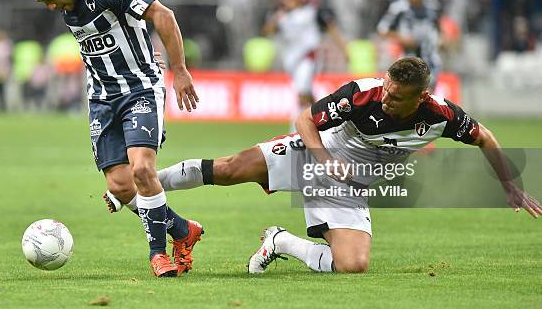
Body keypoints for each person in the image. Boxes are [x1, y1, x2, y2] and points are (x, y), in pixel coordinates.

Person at [110, 57, 540, 274]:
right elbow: (305, 119)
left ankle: (279, 243)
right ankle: (128, 186)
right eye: (387, 89)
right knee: (227, 169)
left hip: (350, 181)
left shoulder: (441, 116)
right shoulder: (363, 93)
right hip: (320, 151)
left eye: (395, 97)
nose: (386, 98)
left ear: (418, 98)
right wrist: (322, 158)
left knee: (353, 265)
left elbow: (485, 137)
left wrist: (510, 184)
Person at [24, 0, 202, 277]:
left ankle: (157, 254)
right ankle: (182, 230)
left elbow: (162, 14)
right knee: (120, 185)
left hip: (140, 90)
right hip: (101, 99)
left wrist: (180, 70)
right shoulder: (67, 3)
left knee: (143, 169)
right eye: (43, 3)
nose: (50, 7)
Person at [262, 0, 346, 131]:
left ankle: (298, 127)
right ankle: (326, 118)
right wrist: (277, 17)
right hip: (291, 59)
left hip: (309, 56)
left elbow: (331, 27)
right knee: (305, 92)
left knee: (301, 91)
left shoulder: (313, 7)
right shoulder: (279, 10)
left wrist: (344, 49)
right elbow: (267, 31)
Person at [377, 0, 443, 91]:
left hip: (430, 60)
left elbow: (439, 29)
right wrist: (402, 38)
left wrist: (442, 40)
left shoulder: (433, 7)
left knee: (427, 98)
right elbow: (382, 29)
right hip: (407, 61)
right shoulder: (399, 8)